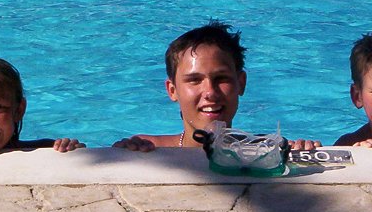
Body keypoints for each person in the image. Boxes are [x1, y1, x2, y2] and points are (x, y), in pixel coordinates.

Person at [113, 20, 321, 152]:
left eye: (221, 78)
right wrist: (125, 151)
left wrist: (304, 150)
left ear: (241, 83)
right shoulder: (149, 148)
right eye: (194, 80)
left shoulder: (269, 149)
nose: (210, 93)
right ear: (172, 90)